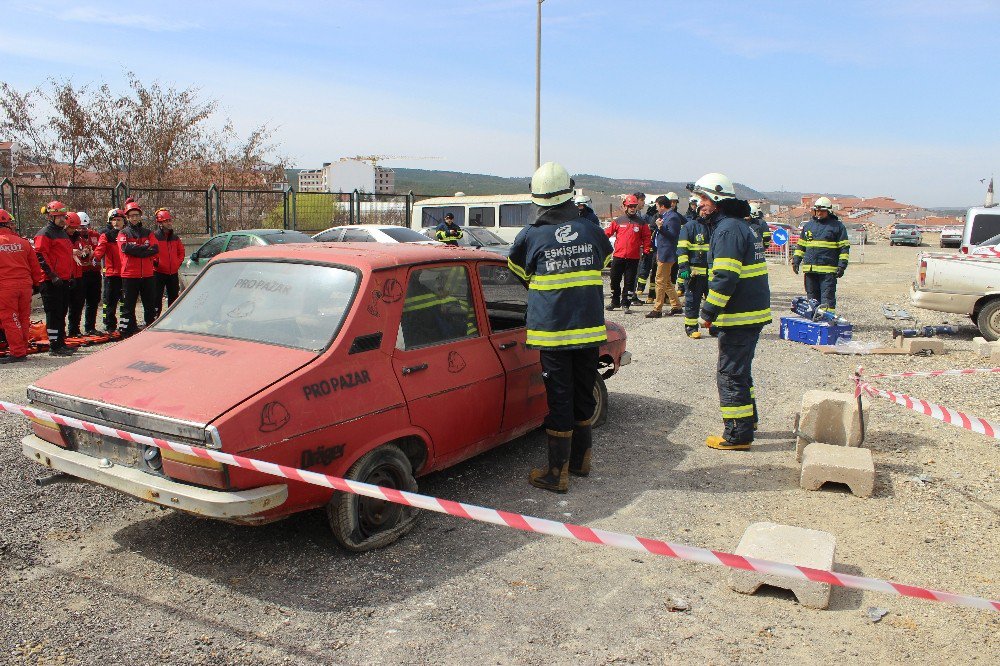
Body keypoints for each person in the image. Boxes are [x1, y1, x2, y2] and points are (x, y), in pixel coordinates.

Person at [508, 162, 613, 493]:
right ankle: (582, 462)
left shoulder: (530, 236)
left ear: (536, 197)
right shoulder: (592, 231)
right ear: (570, 193)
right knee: (583, 394)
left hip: (553, 334)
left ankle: (557, 474)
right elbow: (605, 262)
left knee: (560, 399)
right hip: (589, 331)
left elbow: (519, 273)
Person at [693, 172, 771, 451]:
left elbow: (725, 276)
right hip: (750, 313)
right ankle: (749, 421)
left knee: (730, 373)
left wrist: (708, 311)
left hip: (740, 315)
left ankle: (738, 434)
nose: (698, 203)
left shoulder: (727, 230)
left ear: (716, 199)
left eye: (703, 198)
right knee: (741, 371)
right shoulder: (740, 226)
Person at [0, 209, 45, 364]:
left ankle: (18, 352)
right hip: (25, 286)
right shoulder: (23, 242)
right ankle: (22, 348)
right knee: (23, 318)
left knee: (10, 320)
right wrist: (37, 284)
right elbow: (35, 266)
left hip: (5, 287)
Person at [33, 201, 76, 355]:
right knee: (53, 312)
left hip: (63, 279)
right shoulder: (44, 233)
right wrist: (52, 275)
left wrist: (69, 276)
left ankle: (60, 342)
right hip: (50, 280)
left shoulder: (62, 233)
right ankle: (54, 345)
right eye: (60, 217)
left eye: (64, 216)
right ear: (51, 216)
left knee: (62, 311)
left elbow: (65, 257)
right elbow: (40, 255)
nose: (63, 219)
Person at [793, 196, 849, 315]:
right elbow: (801, 245)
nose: (818, 213)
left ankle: (827, 323)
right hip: (810, 270)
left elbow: (844, 248)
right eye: (816, 210)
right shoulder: (808, 226)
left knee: (827, 298)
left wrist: (842, 266)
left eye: (821, 211)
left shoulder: (837, 227)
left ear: (828, 211)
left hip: (827, 271)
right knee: (811, 299)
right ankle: (813, 322)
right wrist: (796, 261)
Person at [117, 199, 159, 336]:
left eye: (137, 215)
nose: (134, 218)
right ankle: (126, 331)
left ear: (140, 216)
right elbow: (125, 248)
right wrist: (144, 248)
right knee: (128, 306)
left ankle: (150, 328)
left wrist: (137, 249)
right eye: (132, 215)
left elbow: (155, 249)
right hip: (130, 275)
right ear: (127, 217)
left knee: (149, 305)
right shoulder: (123, 233)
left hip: (147, 274)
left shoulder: (148, 232)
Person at [604, 194, 651, 314]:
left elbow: (647, 238)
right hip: (618, 257)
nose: (632, 208)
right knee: (614, 279)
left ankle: (626, 304)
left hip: (633, 258)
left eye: (634, 206)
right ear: (625, 206)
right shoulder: (618, 221)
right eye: (630, 206)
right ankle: (615, 302)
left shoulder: (641, 223)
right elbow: (607, 233)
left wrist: (646, 250)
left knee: (629, 282)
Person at [675, 196, 711, 338]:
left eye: (707, 209)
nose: (705, 212)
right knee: (692, 301)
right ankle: (691, 327)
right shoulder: (690, 227)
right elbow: (682, 249)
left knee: (713, 301)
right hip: (695, 273)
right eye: (702, 209)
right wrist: (684, 268)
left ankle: (713, 327)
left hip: (712, 273)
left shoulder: (714, 226)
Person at [645, 195, 683, 318]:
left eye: (657, 206)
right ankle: (676, 306)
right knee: (666, 282)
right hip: (661, 252)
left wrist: (660, 227)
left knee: (660, 281)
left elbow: (672, 235)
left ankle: (657, 309)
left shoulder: (672, 218)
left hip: (667, 253)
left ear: (662, 206)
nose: (656, 209)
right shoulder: (666, 217)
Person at [94, 208, 125, 334]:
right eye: (114, 220)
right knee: (110, 300)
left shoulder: (127, 234)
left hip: (126, 273)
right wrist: (96, 257)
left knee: (125, 301)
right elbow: (100, 249)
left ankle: (125, 323)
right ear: (110, 221)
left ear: (124, 221)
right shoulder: (106, 235)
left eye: (119, 220)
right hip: (112, 273)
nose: (116, 222)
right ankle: (109, 324)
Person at [152, 208, 185, 318]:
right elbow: (151, 252)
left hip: (173, 273)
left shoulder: (175, 238)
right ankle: (154, 318)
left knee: (173, 297)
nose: (169, 223)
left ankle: (173, 318)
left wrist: (177, 263)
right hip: (159, 272)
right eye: (166, 221)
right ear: (160, 223)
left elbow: (181, 251)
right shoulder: (154, 236)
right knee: (156, 297)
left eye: (169, 220)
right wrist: (156, 263)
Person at [64, 212, 90, 338]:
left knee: (77, 304)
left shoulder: (79, 238)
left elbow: (86, 249)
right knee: (62, 306)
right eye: (71, 227)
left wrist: (86, 251)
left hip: (78, 275)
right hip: (65, 276)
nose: (73, 230)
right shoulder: (61, 237)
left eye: (75, 228)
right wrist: (71, 252)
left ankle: (74, 330)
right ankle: (61, 333)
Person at [634, 193, 657, 301]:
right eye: (642, 200)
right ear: (636, 200)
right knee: (634, 272)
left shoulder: (639, 214)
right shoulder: (636, 215)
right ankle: (631, 296)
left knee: (636, 272)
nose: (644, 203)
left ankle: (633, 295)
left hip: (639, 247)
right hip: (634, 248)